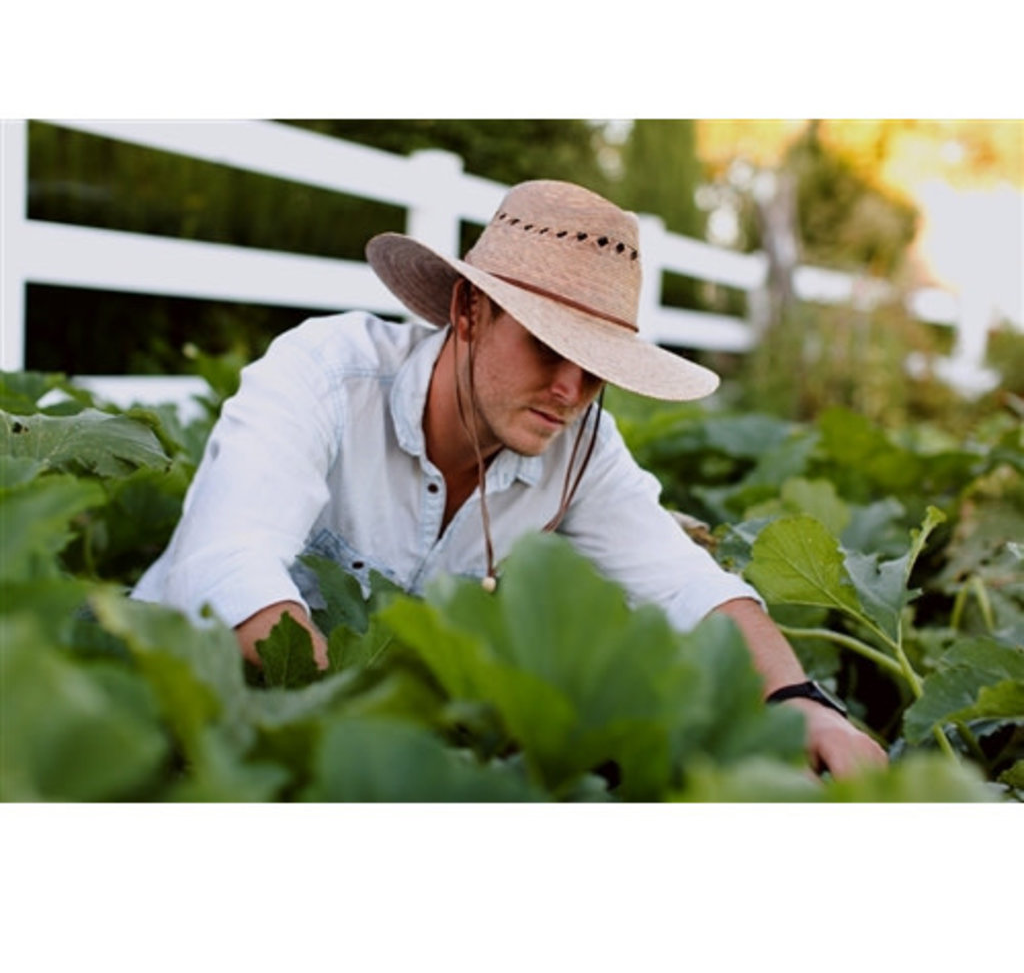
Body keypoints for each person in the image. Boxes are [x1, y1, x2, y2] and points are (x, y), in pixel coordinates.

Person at [133, 179, 887, 779]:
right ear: (468, 310)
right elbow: (228, 564)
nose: (570, 387)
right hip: (177, 726)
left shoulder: (582, 447)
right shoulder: (328, 374)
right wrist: (362, 736)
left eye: (596, 367)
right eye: (545, 347)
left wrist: (803, 705)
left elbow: (684, 582)